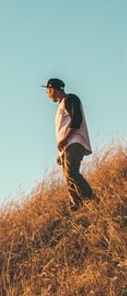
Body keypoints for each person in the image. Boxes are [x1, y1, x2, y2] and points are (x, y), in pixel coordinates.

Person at [43, 78, 96, 209]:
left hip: (74, 142)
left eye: (47, 90)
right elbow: (63, 129)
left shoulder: (70, 99)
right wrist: (60, 153)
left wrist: (65, 139)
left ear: (52, 89)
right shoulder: (60, 106)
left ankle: (91, 198)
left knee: (72, 172)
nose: (47, 93)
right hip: (67, 146)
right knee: (68, 178)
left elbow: (77, 120)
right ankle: (77, 206)